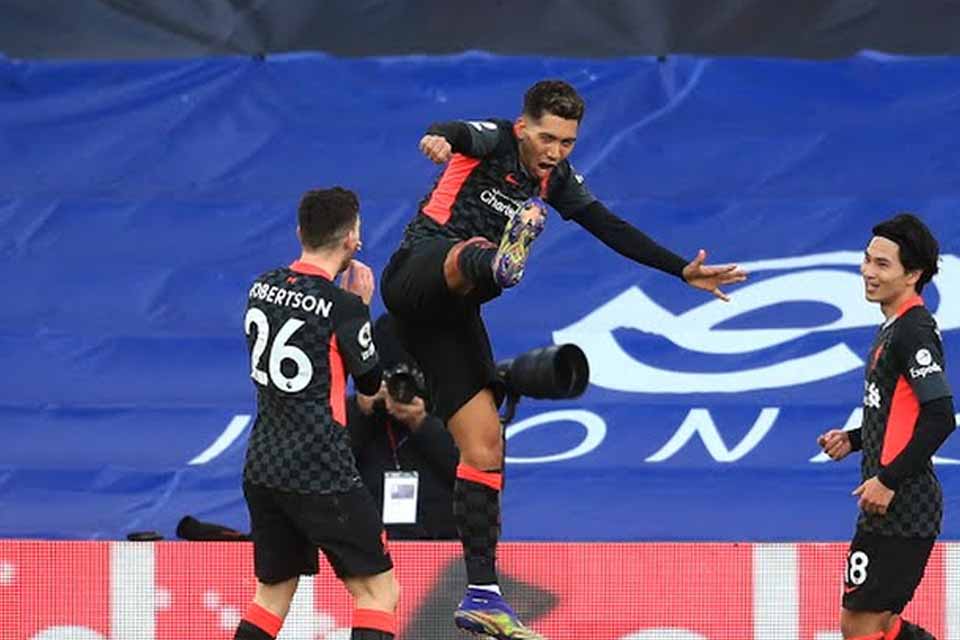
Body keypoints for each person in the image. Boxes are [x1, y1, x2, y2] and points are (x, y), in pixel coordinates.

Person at [380, 79, 748, 640]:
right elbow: (453, 131)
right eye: (547, 138)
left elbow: (609, 227)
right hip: (416, 274)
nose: (554, 151)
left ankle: (482, 596)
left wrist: (680, 270)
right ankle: (496, 262)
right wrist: (437, 138)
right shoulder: (495, 138)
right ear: (523, 127)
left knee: (485, 445)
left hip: (451, 319)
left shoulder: (554, 179)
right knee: (470, 255)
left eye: (567, 142)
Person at [235, 187, 400, 640]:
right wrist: (360, 310)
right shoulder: (343, 307)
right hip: (321, 468)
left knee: (272, 595)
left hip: (264, 464)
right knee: (378, 593)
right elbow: (369, 384)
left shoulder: (262, 286)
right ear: (351, 240)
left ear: (299, 233)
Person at [817, 213, 955, 640]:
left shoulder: (914, 331)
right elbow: (899, 411)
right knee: (863, 625)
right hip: (883, 501)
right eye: (867, 259)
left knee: (863, 626)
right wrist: (854, 439)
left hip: (906, 503)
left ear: (913, 274)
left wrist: (889, 480)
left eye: (882, 264)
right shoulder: (893, 327)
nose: (867, 272)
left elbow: (940, 416)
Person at [348, 313, 460, 540]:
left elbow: (479, 474)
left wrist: (423, 425)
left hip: (442, 547)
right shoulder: (354, 412)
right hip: (369, 548)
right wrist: (360, 413)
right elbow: (320, 474)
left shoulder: (457, 409)